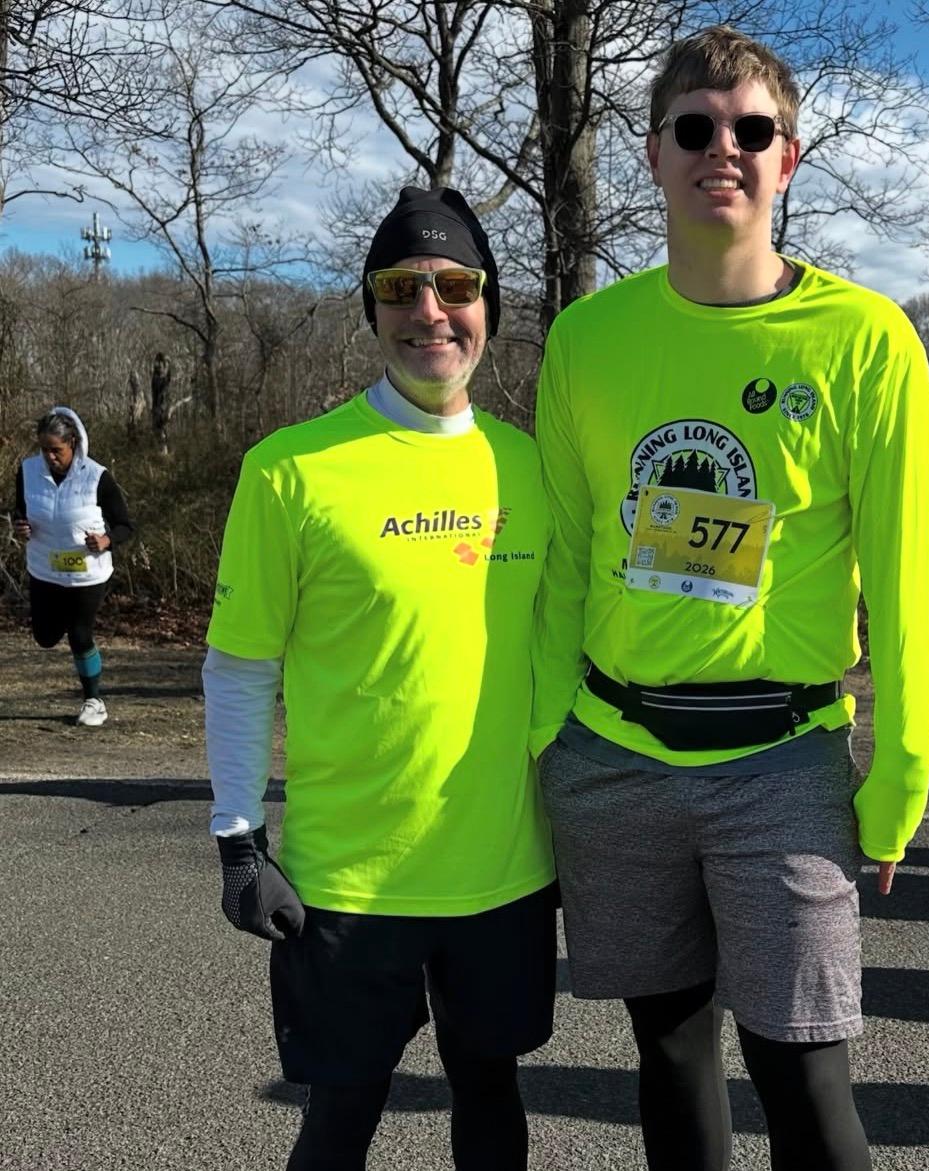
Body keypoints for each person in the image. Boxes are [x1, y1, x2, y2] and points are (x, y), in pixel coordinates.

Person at [531, 25, 929, 1171]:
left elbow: (912, 587)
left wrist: (899, 778)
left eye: (752, 130)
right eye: (696, 128)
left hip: (784, 760)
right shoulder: (588, 338)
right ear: (654, 154)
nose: (726, 149)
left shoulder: (865, 341)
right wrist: (543, 736)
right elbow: (567, 557)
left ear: (788, 159)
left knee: (803, 1071)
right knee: (666, 1055)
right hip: (612, 753)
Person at [203, 187, 556, 1171]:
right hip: (349, 882)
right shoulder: (292, 471)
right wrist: (237, 837)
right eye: (401, 288)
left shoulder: (533, 470)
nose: (430, 311)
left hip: (505, 873)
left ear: (490, 304)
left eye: (456, 285)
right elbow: (239, 665)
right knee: (342, 1113)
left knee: (492, 1091)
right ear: (371, 308)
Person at [11, 407, 134, 727]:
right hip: (44, 569)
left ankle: (94, 701)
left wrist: (106, 540)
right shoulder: (27, 472)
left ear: (73, 444)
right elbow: (20, 511)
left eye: (57, 450)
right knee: (45, 637)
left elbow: (126, 526)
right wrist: (20, 527)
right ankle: (66, 618)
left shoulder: (97, 476)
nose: (50, 456)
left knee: (80, 635)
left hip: (86, 573)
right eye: (44, 449)